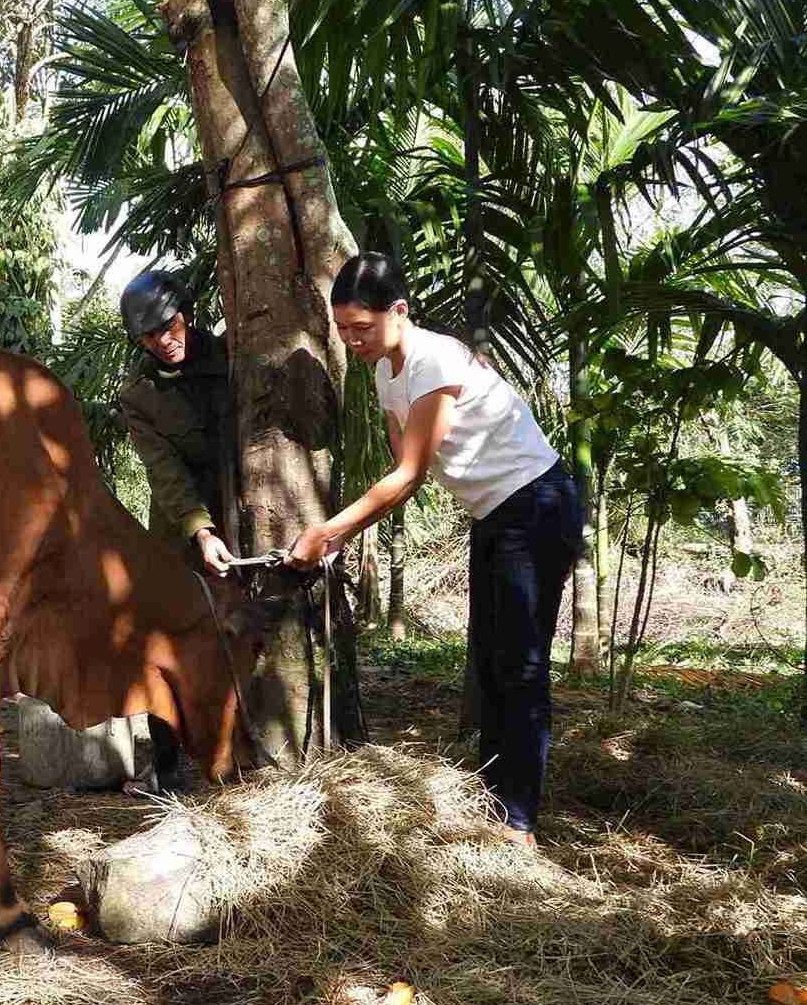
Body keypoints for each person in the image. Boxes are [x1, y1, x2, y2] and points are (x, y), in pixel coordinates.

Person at [284, 253, 581, 851]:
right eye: (343, 330)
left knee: (521, 667)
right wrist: (343, 529)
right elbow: (400, 466)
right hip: (494, 515)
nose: (352, 341)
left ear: (400, 311)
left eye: (361, 328)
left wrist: (329, 533)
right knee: (492, 661)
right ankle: (494, 804)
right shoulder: (384, 374)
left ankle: (519, 823)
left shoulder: (434, 358)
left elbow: (412, 474)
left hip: (537, 504)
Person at [117, 270, 235, 792]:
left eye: (170, 325)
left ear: (186, 314)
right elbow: (166, 474)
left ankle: (232, 752)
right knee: (163, 646)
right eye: (149, 336)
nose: (164, 341)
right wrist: (201, 532)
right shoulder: (140, 398)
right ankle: (165, 771)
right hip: (179, 535)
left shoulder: (235, 356)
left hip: (242, 519)